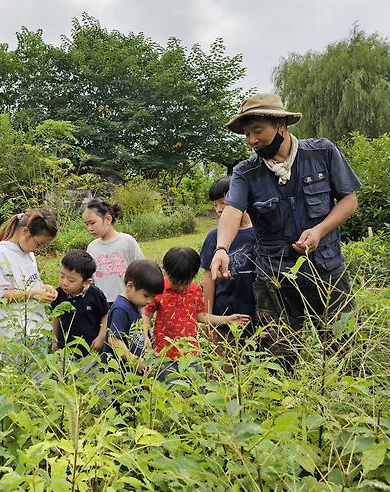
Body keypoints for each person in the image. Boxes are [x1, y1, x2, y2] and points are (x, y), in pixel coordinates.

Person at [210, 93, 362, 371]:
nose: (252, 140)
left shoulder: (322, 153)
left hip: (326, 270)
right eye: (246, 133)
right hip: (274, 277)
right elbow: (232, 210)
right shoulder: (246, 171)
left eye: (258, 131)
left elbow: (349, 200)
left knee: (344, 348)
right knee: (279, 356)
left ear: (281, 125)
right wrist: (221, 248)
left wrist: (319, 230)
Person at [143, 247, 250, 380]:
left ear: (193, 276)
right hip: (164, 355)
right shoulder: (159, 288)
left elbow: (201, 316)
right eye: (176, 283)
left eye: (186, 283)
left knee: (197, 388)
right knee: (168, 390)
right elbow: (146, 313)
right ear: (167, 272)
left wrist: (227, 319)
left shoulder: (195, 290)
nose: (181, 288)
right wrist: (145, 335)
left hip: (191, 353)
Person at [200, 177, 257, 353]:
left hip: (259, 316)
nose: (218, 209)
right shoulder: (213, 237)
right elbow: (208, 277)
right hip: (224, 318)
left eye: (223, 203)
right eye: (215, 205)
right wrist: (209, 318)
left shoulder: (261, 233)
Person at [0, 208, 58, 342]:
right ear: (25, 231)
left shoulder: (28, 253)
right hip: (15, 332)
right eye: (39, 244)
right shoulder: (1, 252)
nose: (39, 249)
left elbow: (32, 280)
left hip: (37, 328)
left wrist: (45, 288)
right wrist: (34, 294)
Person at [106, 259, 164, 372]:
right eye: (146, 295)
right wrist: (134, 360)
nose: (149, 301)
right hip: (119, 372)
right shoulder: (121, 309)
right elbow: (113, 340)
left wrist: (147, 346)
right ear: (130, 286)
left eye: (153, 297)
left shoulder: (135, 304)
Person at [83, 198, 143, 305]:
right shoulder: (92, 247)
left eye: (92, 223)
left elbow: (142, 270)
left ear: (108, 219)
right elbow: (90, 279)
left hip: (127, 302)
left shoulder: (127, 241)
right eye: (86, 224)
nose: (89, 228)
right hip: (102, 304)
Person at [50, 250, 109, 357]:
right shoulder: (59, 294)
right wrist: (54, 339)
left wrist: (101, 337)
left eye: (71, 280)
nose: (64, 282)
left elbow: (105, 315)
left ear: (86, 282)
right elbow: (56, 317)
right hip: (64, 350)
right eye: (62, 276)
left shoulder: (95, 295)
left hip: (90, 350)